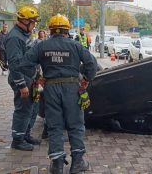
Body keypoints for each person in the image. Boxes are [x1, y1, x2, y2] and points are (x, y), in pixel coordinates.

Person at [21, 14, 98, 174]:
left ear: (50, 30)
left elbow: (25, 63)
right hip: (71, 88)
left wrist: (37, 77)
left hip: (51, 88)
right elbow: (92, 63)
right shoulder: (75, 45)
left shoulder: (42, 45)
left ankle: (57, 164)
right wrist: (86, 79)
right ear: (67, 30)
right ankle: (77, 162)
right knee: (75, 125)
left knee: (54, 126)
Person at [5, 6, 41, 151]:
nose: (34, 25)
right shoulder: (14, 37)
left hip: (29, 77)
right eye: (33, 22)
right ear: (25, 21)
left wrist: (36, 75)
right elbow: (14, 64)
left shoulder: (24, 34)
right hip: (22, 79)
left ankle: (25, 134)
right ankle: (18, 140)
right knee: (23, 109)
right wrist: (21, 85)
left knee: (31, 107)